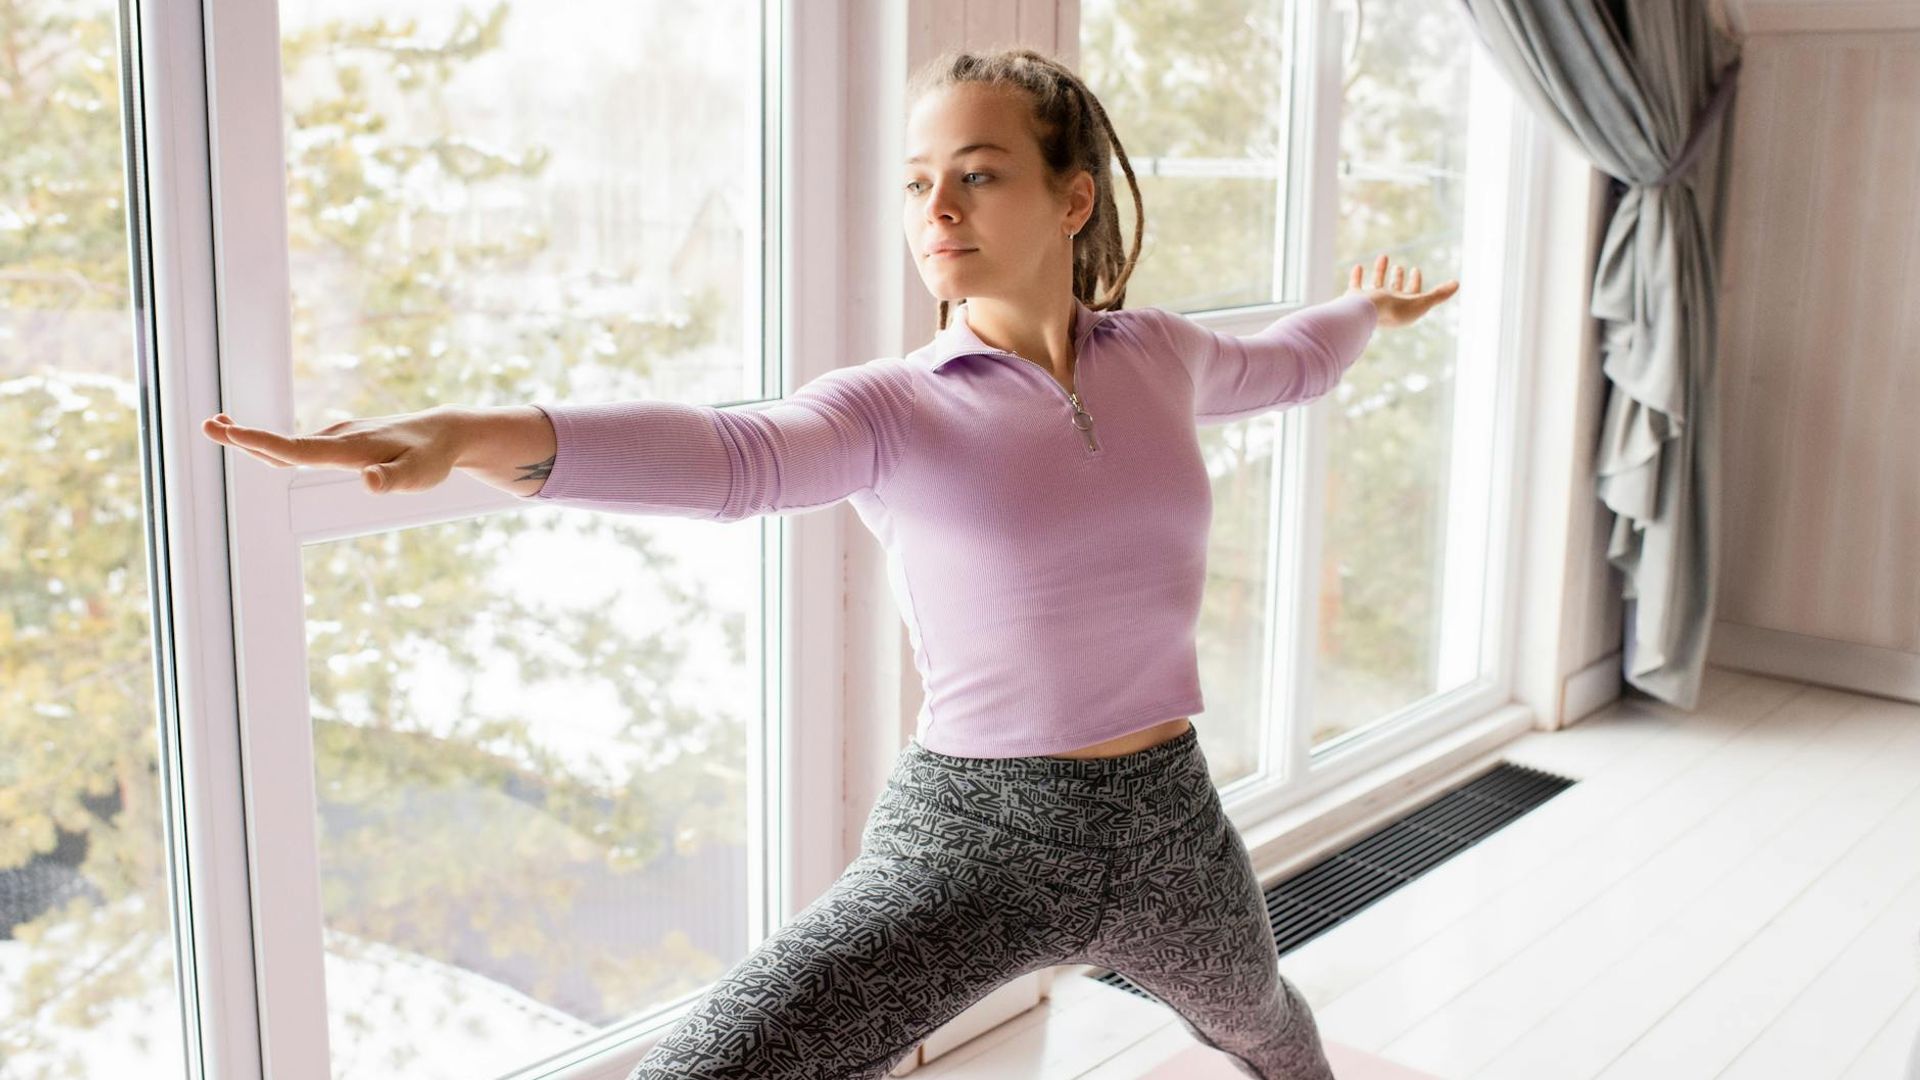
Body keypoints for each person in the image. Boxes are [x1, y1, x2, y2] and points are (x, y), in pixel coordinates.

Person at [203, 46, 1457, 1080]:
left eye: (979, 175)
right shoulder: (895, 408)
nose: (938, 213)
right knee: (708, 1068)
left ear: (1073, 199)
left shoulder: (1164, 356)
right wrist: (480, 436)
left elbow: (1294, 358)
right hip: (978, 830)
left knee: (1274, 1037)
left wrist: (1372, 312)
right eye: (919, 184)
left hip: (1170, 814)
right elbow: (728, 455)